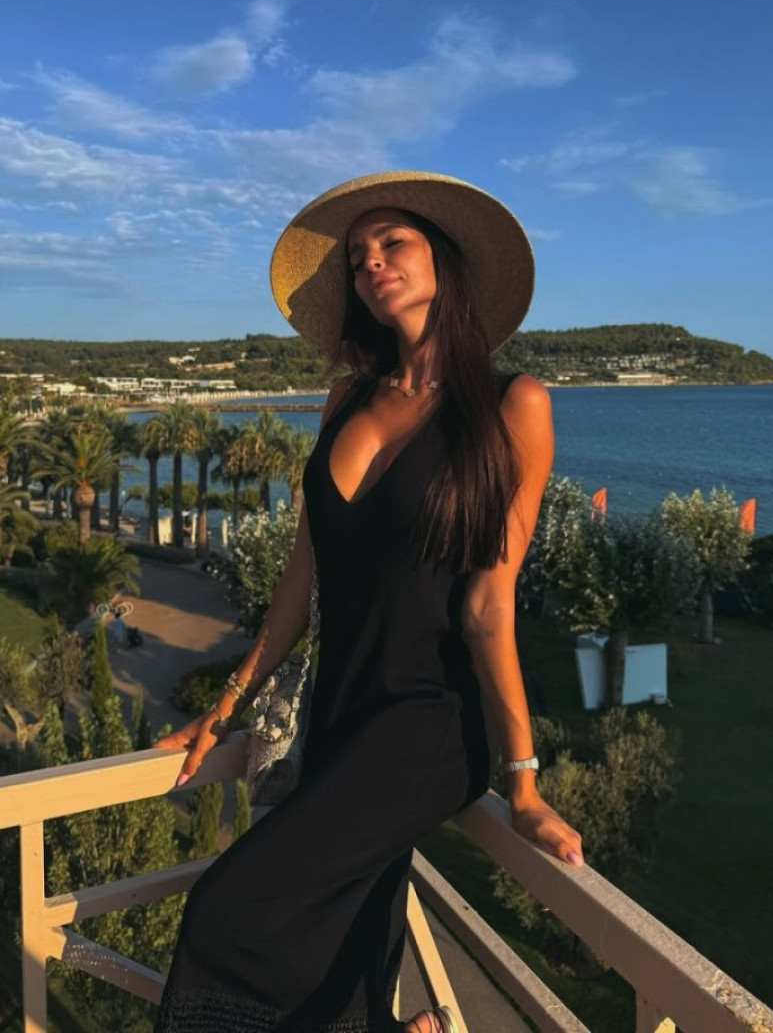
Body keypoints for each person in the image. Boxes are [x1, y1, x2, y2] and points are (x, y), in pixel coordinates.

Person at [152, 170, 583, 1033]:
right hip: (343, 701)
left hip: (430, 722)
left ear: (445, 262)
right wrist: (227, 705)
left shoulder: (513, 405)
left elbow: (487, 606)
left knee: (228, 910)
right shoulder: (347, 399)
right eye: (357, 257)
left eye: (393, 243)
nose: (371, 263)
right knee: (344, 936)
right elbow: (301, 581)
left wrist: (523, 783)